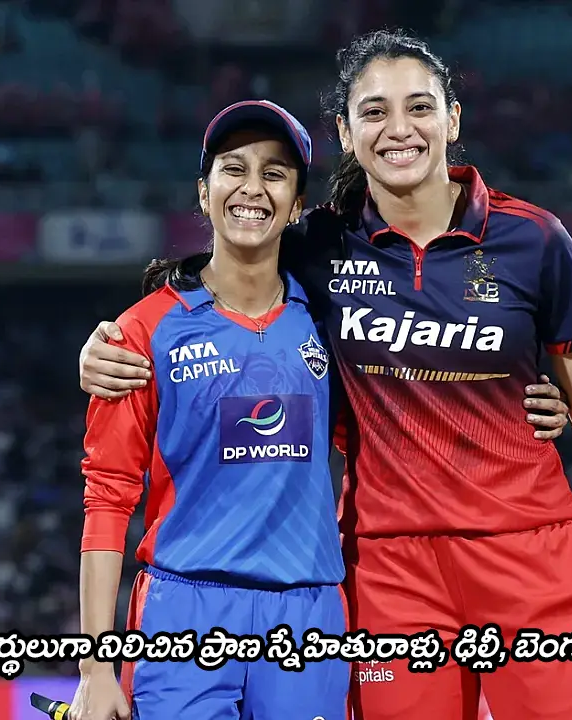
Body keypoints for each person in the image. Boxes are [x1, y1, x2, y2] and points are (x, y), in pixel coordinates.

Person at [78, 29, 572, 720]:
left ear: (453, 119)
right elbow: (230, 264)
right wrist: (108, 342)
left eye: (419, 107)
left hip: (531, 556)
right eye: (374, 112)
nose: (399, 129)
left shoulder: (533, 240)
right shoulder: (320, 243)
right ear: (348, 134)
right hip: (387, 569)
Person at [70, 100, 349, 720]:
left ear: (298, 205)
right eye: (234, 169)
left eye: (275, 173)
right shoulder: (142, 333)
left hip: (309, 618)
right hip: (183, 615)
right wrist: (95, 668)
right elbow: (108, 498)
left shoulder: (331, 323)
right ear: (204, 192)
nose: (253, 187)